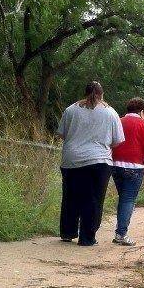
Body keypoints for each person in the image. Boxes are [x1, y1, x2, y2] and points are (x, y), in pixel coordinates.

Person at [57, 81, 124, 246]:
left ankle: (68, 232)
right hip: (99, 161)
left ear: (84, 92)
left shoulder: (70, 110)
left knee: (70, 196)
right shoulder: (111, 113)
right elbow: (117, 141)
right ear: (102, 94)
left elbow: (61, 134)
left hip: (71, 160)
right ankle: (87, 237)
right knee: (94, 199)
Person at [111, 97, 144, 245]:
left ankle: (120, 231)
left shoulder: (118, 121)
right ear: (142, 111)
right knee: (128, 199)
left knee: (123, 197)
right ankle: (121, 234)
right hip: (135, 167)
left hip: (115, 165)